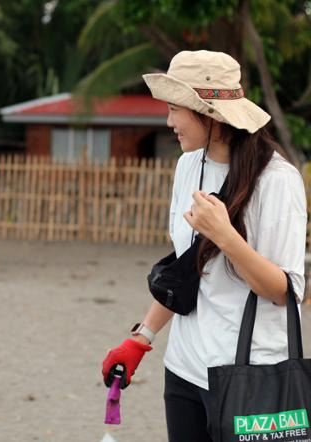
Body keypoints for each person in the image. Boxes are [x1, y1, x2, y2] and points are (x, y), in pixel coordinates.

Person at [101, 50, 307, 441]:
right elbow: (187, 268)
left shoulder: (277, 180)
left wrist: (227, 237)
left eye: (175, 109)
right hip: (183, 371)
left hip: (249, 373)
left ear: (208, 113)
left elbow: (286, 290)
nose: (169, 121)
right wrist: (141, 338)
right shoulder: (188, 166)